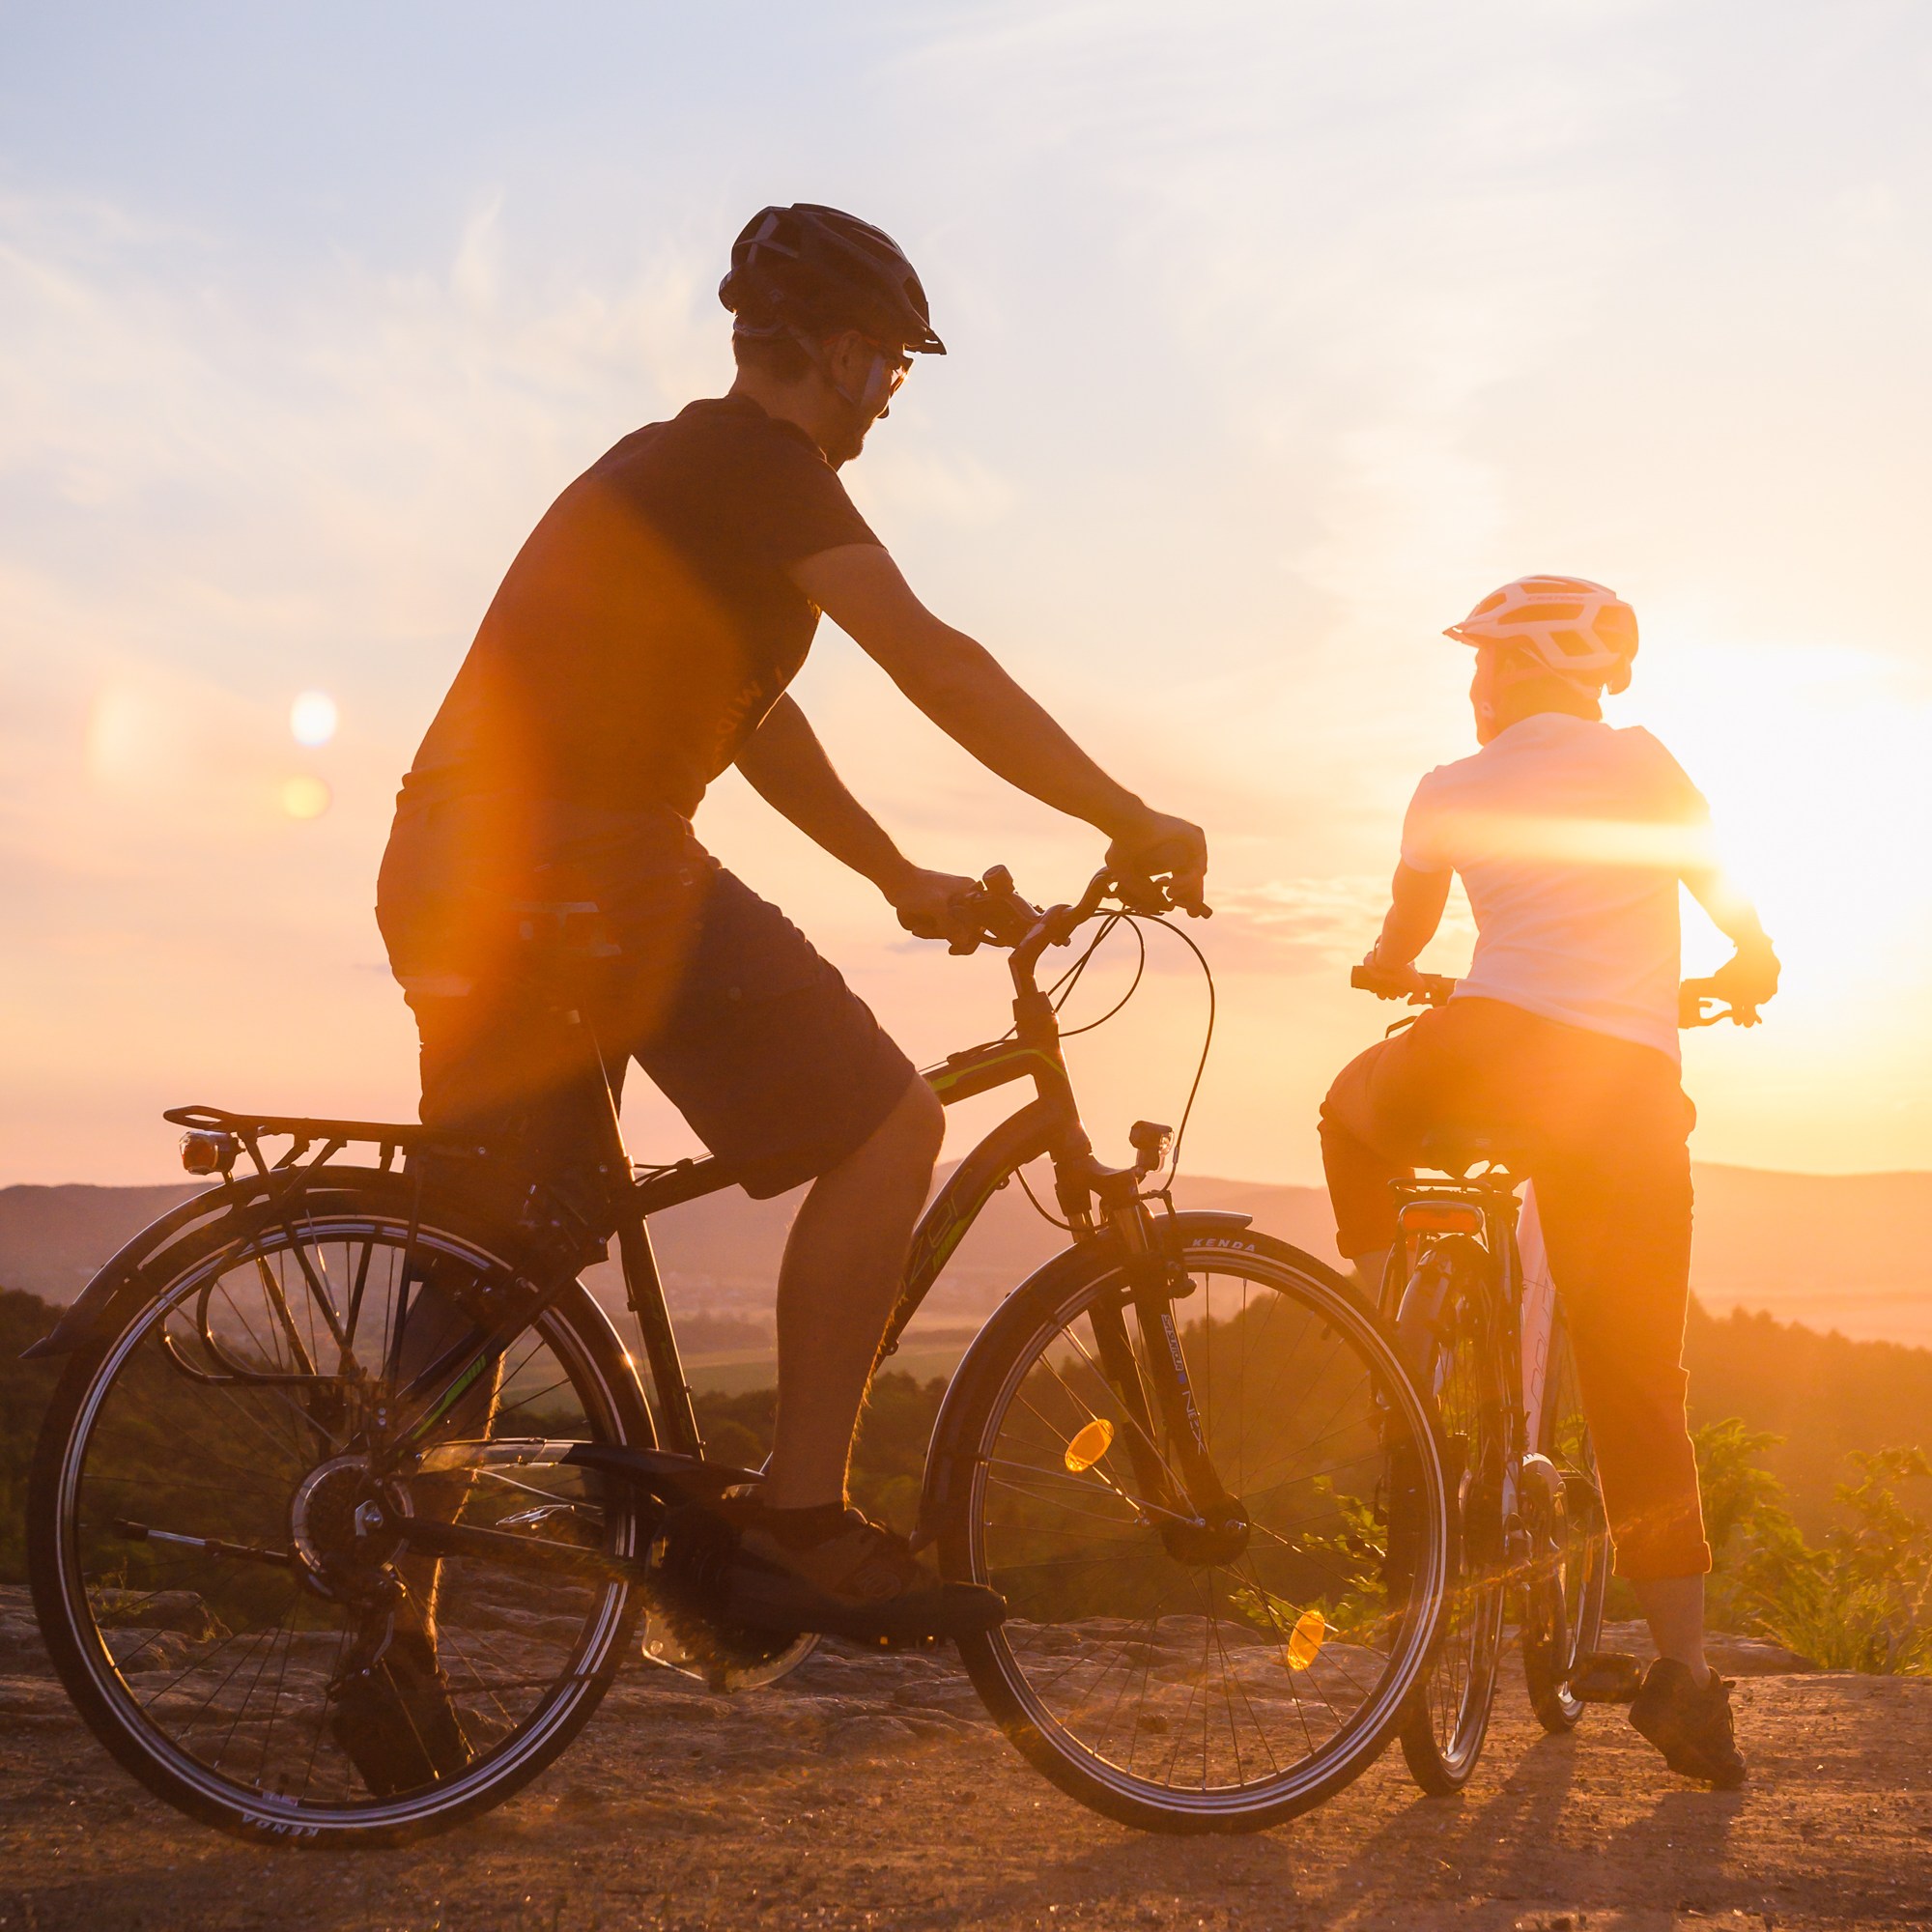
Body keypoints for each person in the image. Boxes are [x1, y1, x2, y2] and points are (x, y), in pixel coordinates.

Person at [374, 203, 1208, 1647]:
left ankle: (388, 1616)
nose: (890, 395)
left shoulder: (676, 471)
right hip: (582, 856)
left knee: (501, 1246)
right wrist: (1125, 815)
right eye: (889, 364)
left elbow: (757, 723)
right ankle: (799, 1527)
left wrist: (895, 874)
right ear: (837, 352)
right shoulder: (759, 464)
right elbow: (931, 658)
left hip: (451, 858)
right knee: (889, 1125)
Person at [1319, 574, 1778, 1788]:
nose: (1472, 681)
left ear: (1524, 664)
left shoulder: (1447, 786)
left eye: (1482, 659)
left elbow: (1403, 934)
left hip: (1481, 1052)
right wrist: (1749, 958)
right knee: (1638, 1385)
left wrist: (1386, 965)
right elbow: (1719, 890)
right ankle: (1683, 1674)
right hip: (1622, 1096)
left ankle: (1390, 1350)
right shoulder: (1643, 760)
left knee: (1347, 1118)